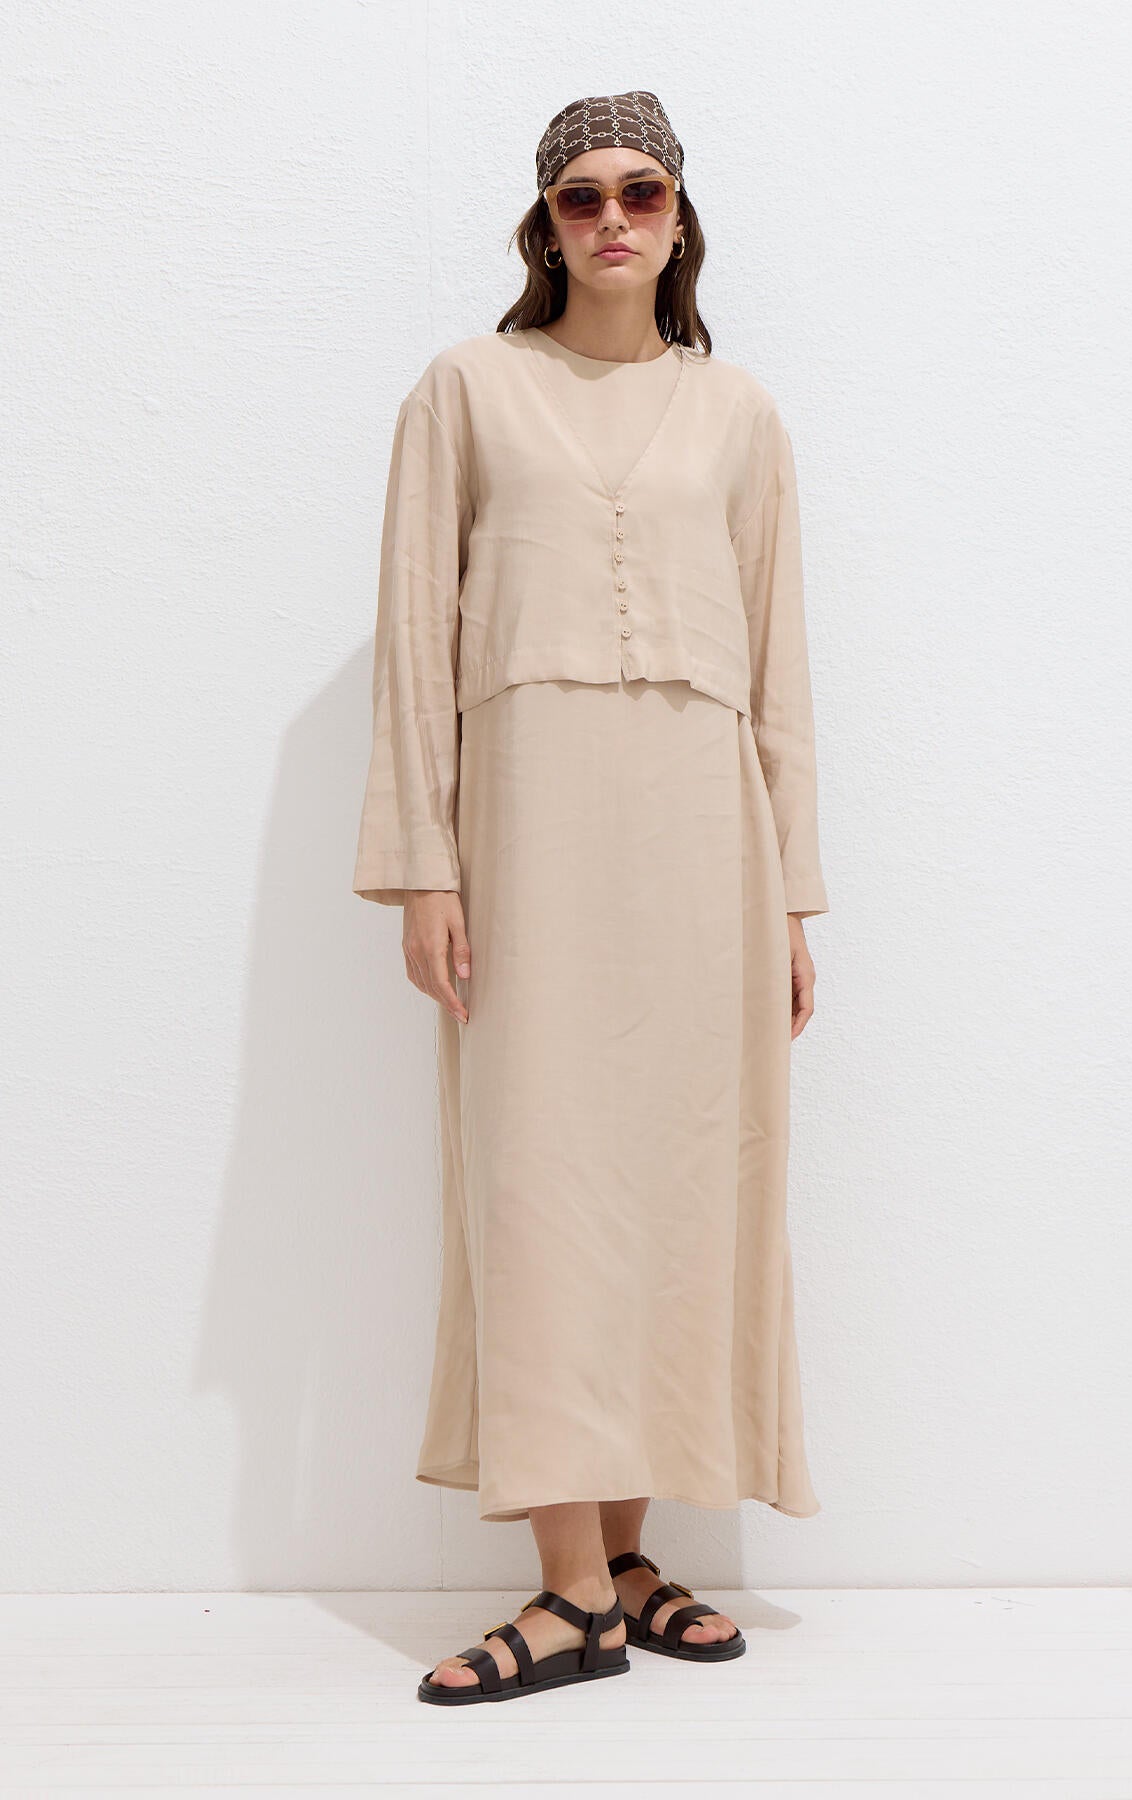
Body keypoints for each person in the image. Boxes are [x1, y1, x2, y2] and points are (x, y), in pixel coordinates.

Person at [352, 90, 831, 1707]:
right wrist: (423, 862)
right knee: (541, 1179)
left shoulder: (739, 413)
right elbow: (414, 640)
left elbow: (780, 670)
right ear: (543, 226)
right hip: (531, 824)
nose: (612, 217)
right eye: (580, 197)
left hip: (706, 839)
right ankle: (564, 1581)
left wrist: (792, 898)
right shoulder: (466, 391)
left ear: (680, 218)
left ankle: (621, 1563)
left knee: (681, 1180)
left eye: (641, 191)